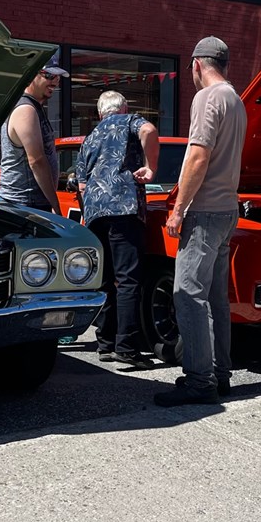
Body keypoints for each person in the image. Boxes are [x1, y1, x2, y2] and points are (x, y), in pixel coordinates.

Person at [153, 36, 247, 406]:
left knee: (187, 294)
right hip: (227, 210)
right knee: (215, 298)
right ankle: (219, 375)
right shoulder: (236, 99)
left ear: (196, 64)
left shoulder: (206, 98)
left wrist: (178, 210)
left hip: (205, 211)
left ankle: (199, 382)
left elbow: (197, 157)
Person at [76, 90, 159, 369]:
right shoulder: (130, 122)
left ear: (101, 114)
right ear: (124, 108)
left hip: (95, 214)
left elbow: (81, 182)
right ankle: (127, 348)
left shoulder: (90, 137)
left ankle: (105, 344)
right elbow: (149, 129)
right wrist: (150, 167)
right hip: (124, 209)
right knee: (128, 280)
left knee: (104, 279)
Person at [0, 52, 67, 213]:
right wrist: (55, 204)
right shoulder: (26, 110)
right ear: (31, 75)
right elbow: (36, 161)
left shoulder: (35, 107)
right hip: (21, 205)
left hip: (30, 203)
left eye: (58, 76)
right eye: (49, 75)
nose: (55, 80)